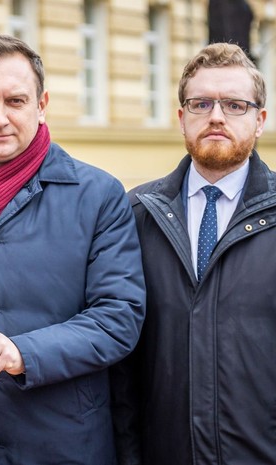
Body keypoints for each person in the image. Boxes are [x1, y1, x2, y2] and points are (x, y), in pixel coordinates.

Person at [0, 34, 145, 464]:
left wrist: (24, 353)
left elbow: (118, 318)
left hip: (65, 445)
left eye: (16, 101)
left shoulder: (98, 195)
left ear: (41, 105)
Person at [111, 43, 275, 464]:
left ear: (259, 121)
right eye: (201, 104)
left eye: (234, 105)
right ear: (182, 118)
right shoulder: (136, 215)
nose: (216, 116)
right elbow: (121, 369)